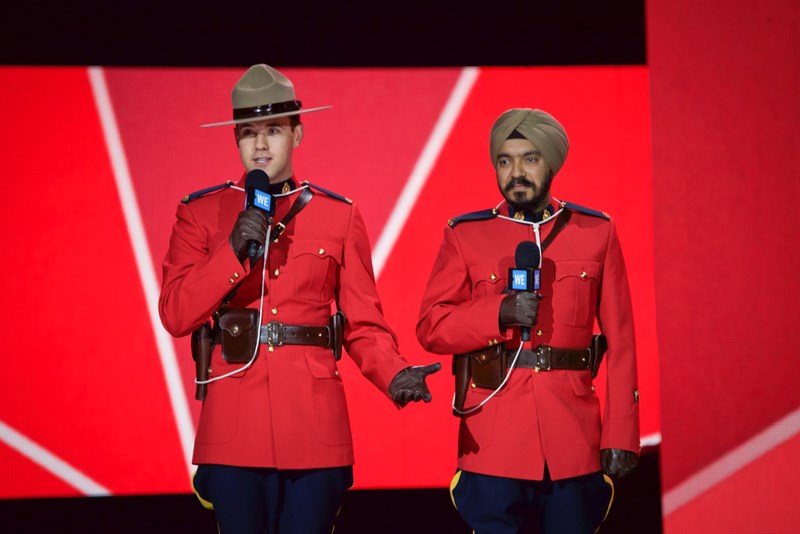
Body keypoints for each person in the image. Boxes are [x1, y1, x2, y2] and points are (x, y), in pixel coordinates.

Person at [159, 64, 440, 533]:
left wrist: (393, 374)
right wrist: (233, 250)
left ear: (298, 133)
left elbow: (362, 323)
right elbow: (175, 313)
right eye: (248, 133)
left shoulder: (339, 216)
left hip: (314, 425)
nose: (261, 144)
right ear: (236, 140)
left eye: (273, 130)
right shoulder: (200, 213)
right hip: (233, 427)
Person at [416, 108, 640, 533]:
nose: (516, 172)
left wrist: (621, 436)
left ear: (551, 163)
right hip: (493, 441)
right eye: (505, 161)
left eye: (529, 159)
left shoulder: (597, 232)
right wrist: (496, 312)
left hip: (573, 442)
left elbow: (622, 341)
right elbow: (431, 325)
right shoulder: (466, 234)